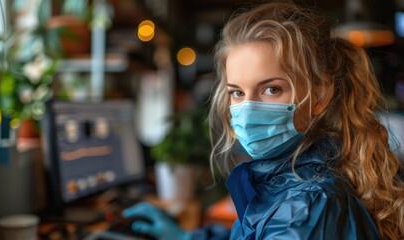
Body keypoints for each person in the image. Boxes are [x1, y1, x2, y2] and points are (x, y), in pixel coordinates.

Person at [123, 2, 404, 239]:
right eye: (237, 92)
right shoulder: (288, 177)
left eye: (272, 89)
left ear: (319, 97)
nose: (246, 109)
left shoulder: (308, 206)